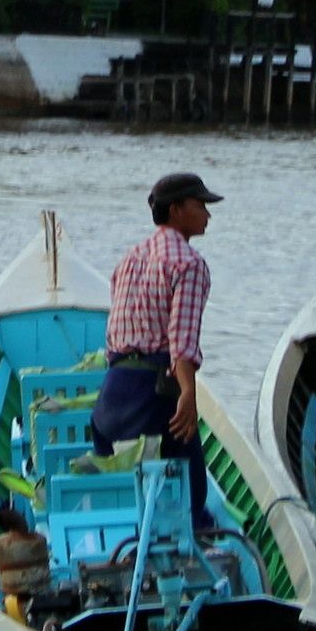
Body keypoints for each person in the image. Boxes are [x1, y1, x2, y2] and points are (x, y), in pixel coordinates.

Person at [96, 169, 219, 524]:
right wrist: (187, 395)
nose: (208, 215)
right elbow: (182, 341)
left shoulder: (129, 259)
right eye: (201, 206)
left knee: (129, 494)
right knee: (192, 500)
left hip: (111, 405)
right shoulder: (189, 264)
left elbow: (113, 341)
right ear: (177, 210)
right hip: (153, 400)